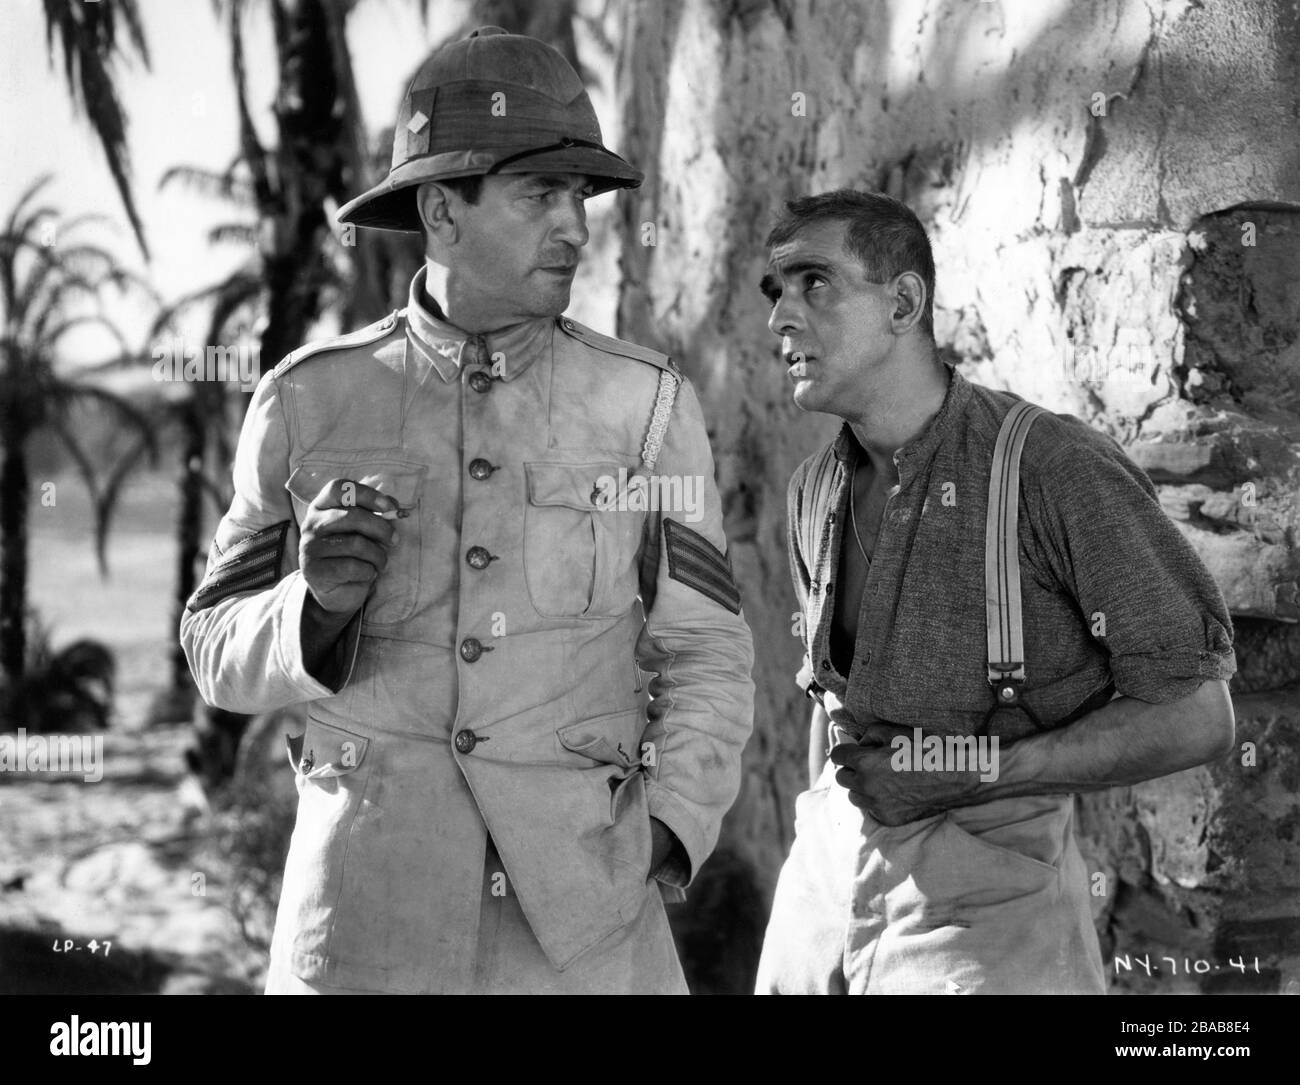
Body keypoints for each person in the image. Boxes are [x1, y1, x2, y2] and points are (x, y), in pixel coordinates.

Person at [180, 26, 754, 995]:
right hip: (364, 919)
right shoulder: (309, 399)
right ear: (442, 213)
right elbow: (212, 647)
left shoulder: (644, 403)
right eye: (541, 195)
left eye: (580, 196)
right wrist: (312, 609)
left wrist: (667, 826)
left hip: (583, 932)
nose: (574, 225)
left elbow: (707, 647)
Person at [753, 189, 1237, 994]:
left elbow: (1199, 714)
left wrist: (973, 771)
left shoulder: (1052, 469)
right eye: (776, 293)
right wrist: (820, 832)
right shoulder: (814, 489)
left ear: (904, 301)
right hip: (823, 890)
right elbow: (827, 700)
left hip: (990, 914)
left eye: (814, 283)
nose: (781, 319)